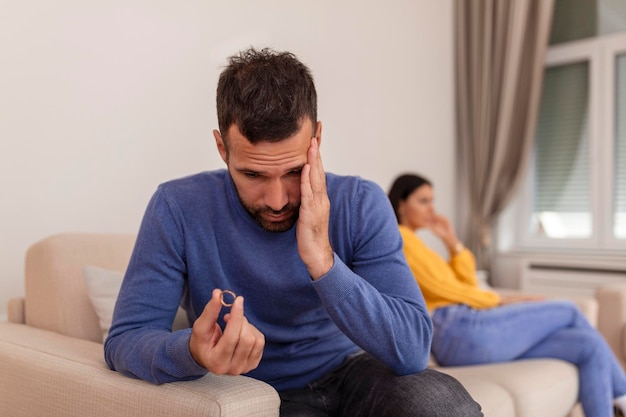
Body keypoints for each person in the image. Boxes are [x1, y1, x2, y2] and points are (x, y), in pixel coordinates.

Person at [104, 48, 482, 416]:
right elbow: (125, 339)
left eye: (294, 171)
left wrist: (322, 259)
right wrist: (192, 351)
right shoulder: (177, 207)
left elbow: (413, 348)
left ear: (316, 138)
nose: (277, 199)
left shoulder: (360, 202)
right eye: (252, 174)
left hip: (350, 370)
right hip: (254, 390)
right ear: (222, 147)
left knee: (441, 405)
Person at [387, 172, 626, 417]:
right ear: (401, 204)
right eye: (423, 201)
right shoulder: (400, 240)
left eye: (432, 201)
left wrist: (453, 243)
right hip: (457, 327)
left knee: (586, 345)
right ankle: (624, 396)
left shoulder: (418, 243)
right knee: (568, 309)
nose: (432, 210)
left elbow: (467, 282)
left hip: (463, 330)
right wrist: (502, 299)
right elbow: (447, 290)